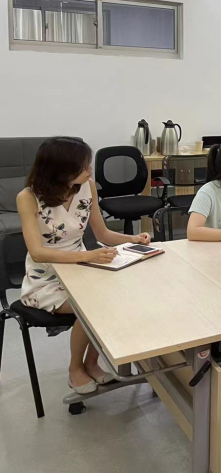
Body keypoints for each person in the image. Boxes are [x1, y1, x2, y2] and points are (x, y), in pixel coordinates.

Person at [17, 137, 152, 394]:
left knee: (122, 292)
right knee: (92, 304)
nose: (90, 170)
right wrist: (88, 257)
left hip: (83, 267)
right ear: (61, 170)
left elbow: (102, 233)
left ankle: (92, 363)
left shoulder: (87, 187)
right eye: (83, 166)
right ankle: (75, 368)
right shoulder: (28, 197)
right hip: (46, 278)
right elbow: (37, 252)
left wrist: (132, 239)